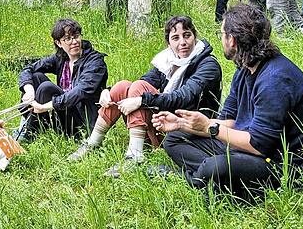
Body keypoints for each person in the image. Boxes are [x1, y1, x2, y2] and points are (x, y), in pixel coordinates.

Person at [154, 4, 303, 201]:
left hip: (281, 165)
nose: (221, 38)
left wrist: (209, 127)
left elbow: (259, 145)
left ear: (231, 40)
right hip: (251, 147)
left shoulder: (274, 80)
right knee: (175, 138)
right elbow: (232, 121)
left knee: (218, 166)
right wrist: (184, 124)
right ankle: (216, 178)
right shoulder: (244, 69)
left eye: (222, 33)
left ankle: (197, 180)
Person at [69, 16, 222, 178]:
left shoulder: (208, 65)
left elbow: (183, 97)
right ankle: (92, 143)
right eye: (175, 38)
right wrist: (106, 91)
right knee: (123, 86)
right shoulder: (168, 61)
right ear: (168, 43)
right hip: (164, 124)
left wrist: (142, 100)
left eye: (187, 35)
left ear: (194, 36)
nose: (182, 42)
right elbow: (142, 81)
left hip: (186, 133)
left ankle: (135, 156)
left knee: (139, 90)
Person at [19, 19, 108, 139]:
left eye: (76, 36)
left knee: (46, 88)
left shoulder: (95, 62)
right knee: (36, 78)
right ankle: (32, 128)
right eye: (67, 39)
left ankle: (29, 134)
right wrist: (29, 89)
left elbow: (80, 92)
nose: (74, 42)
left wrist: (44, 107)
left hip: (81, 120)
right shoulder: (61, 58)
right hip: (62, 113)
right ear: (59, 43)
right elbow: (28, 69)